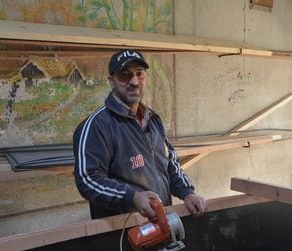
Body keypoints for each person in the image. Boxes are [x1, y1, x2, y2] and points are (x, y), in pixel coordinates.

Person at [73, 49, 206, 221]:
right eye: (125, 75)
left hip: (162, 220)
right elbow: (88, 180)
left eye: (139, 74)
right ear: (111, 81)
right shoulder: (96, 126)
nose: (134, 81)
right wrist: (133, 197)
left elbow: (171, 163)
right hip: (123, 232)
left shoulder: (153, 120)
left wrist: (187, 193)